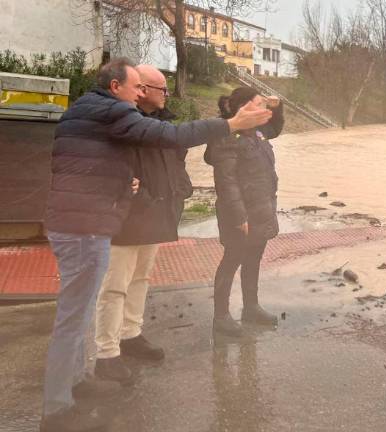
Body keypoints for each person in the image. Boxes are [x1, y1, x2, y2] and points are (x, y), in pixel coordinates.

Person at [41, 58, 272, 432]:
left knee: (82, 311)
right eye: (136, 88)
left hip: (81, 219)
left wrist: (121, 182)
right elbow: (173, 137)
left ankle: (77, 382)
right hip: (85, 226)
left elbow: (82, 165)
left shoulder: (85, 111)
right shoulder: (114, 112)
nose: (140, 95)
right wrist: (230, 124)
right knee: (74, 318)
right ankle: (56, 412)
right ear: (116, 87)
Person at [92, 65, 191, 386]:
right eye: (161, 89)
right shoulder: (122, 122)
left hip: (155, 214)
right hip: (126, 216)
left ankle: (130, 334)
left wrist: (181, 189)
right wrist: (146, 199)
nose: (167, 94)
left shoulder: (162, 123)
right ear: (143, 89)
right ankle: (106, 354)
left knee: (141, 278)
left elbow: (176, 161)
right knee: (115, 285)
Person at [204, 87, 284, 337]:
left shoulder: (257, 131)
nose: (264, 108)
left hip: (260, 208)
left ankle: (251, 307)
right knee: (232, 261)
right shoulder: (227, 134)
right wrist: (239, 217)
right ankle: (221, 317)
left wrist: (277, 106)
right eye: (259, 103)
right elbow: (226, 182)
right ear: (244, 106)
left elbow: (276, 128)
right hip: (240, 214)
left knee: (253, 259)